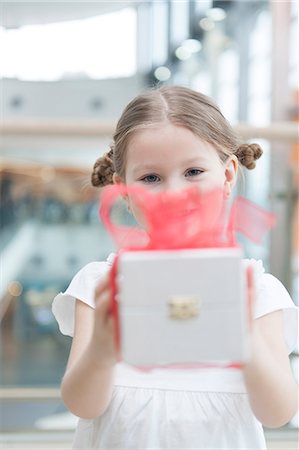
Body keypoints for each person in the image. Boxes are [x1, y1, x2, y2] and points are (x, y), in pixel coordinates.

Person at [52, 86, 298, 449]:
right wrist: (102, 349)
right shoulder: (99, 284)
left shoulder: (257, 290)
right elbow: (82, 405)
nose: (173, 193)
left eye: (194, 171)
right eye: (151, 178)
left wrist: (243, 336)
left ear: (227, 176)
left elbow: (278, 413)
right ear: (123, 190)